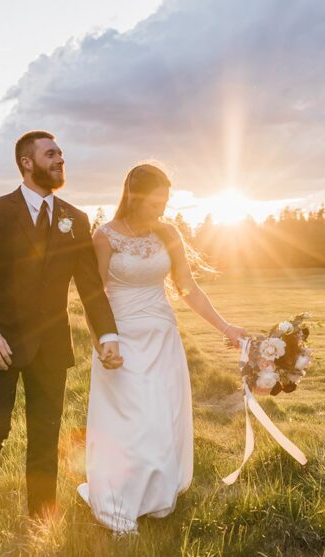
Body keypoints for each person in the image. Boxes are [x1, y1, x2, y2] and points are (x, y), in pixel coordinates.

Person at [0, 130, 122, 528]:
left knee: (46, 436)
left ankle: (41, 516)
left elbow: (89, 286)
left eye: (61, 154)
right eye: (51, 154)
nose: (60, 160)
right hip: (0, 344)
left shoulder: (76, 219)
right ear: (27, 163)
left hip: (51, 346)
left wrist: (108, 336)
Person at [77, 164, 246, 535]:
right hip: (120, 342)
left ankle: (152, 497)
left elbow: (187, 288)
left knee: (159, 420)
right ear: (134, 197)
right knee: (130, 423)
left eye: (166, 201)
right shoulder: (104, 237)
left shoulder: (168, 233)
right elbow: (93, 296)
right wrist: (103, 342)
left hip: (162, 340)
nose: (162, 209)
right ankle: (118, 504)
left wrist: (226, 327)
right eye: (156, 201)